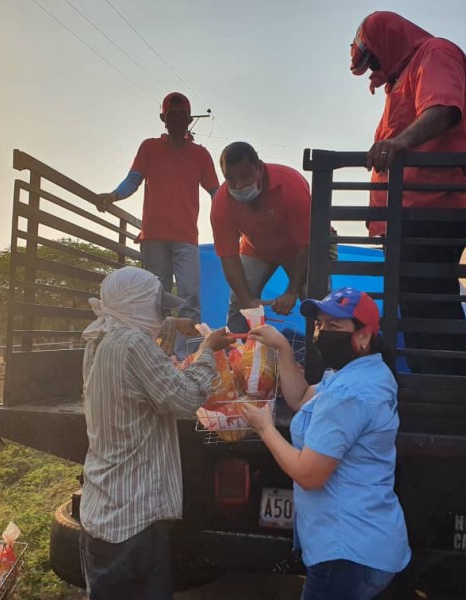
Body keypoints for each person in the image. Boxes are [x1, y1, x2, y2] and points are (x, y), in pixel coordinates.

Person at [242, 288, 411, 600]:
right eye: (320, 325)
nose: (322, 333)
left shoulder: (349, 393)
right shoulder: (362, 373)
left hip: (347, 553)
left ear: (364, 336)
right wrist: (282, 348)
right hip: (365, 544)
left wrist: (265, 429)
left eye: (334, 327)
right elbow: (301, 398)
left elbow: (309, 474)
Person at [79, 266, 233, 600]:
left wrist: (170, 325)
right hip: (133, 520)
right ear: (137, 304)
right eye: (156, 306)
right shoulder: (133, 344)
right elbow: (185, 398)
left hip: (105, 509)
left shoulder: (100, 338)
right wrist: (208, 350)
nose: (160, 313)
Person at [350, 11, 466, 371]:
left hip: (431, 210)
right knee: (420, 309)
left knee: (433, 307)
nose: (374, 68)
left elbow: (443, 108)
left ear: (388, 41)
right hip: (407, 216)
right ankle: (435, 388)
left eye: (373, 58)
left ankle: (451, 393)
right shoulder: (402, 77)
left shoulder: (435, 53)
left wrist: (400, 141)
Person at [95, 92, 220, 357]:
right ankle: (155, 355)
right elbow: (133, 179)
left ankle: (185, 356)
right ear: (163, 118)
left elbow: (215, 192)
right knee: (154, 297)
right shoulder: (149, 148)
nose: (176, 120)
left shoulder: (200, 155)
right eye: (171, 115)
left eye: (181, 116)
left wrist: (232, 218)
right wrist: (113, 195)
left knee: (191, 296)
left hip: (186, 237)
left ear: (189, 120)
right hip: (153, 237)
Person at [210, 141, 311, 332]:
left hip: (299, 251)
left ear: (259, 167)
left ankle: (321, 354)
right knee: (237, 303)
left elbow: (306, 247)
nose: (239, 186)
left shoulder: (291, 186)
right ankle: (237, 354)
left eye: (245, 177)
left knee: (316, 297)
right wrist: (247, 300)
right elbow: (229, 259)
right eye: (231, 179)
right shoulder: (222, 203)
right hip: (255, 249)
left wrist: (292, 292)